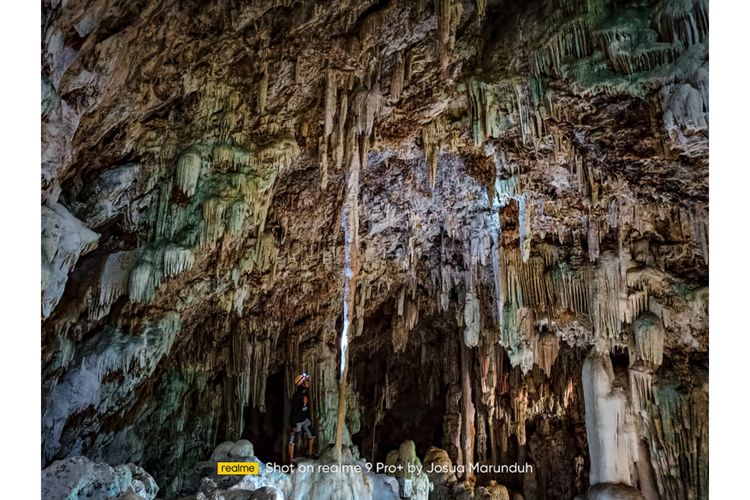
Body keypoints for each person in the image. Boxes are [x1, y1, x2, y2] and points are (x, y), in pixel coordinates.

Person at [288, 372, 318, 463]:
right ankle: (291, 461)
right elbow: (293, 411)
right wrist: (293, 425)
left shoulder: (304, 393)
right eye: (306, 381)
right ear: (302, 384)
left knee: (312, 434)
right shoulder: (297, 396)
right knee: (293, 440)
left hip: (304, 419)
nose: (307, 382)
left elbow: (305, 408)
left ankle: (309, 453)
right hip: (297, 421)